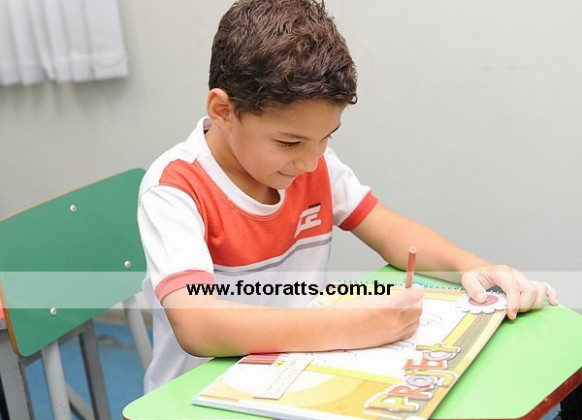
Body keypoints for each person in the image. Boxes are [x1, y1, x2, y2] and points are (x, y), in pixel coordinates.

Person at [137, 0, 558, 392]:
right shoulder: (175, 188)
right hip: (198, 395)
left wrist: (474, 268)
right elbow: (198, 325)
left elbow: (391, 232)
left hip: (291, 377)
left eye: (326, 138)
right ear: (223, 111)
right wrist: (354, 325)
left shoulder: (311, 163)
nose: (310, 162)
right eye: (289, 142)